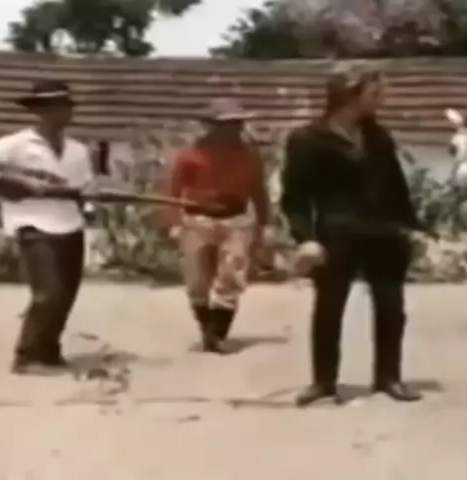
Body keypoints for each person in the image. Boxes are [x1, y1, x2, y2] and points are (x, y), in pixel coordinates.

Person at [280, 61, 425, 406]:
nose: (382, 99)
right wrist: (305, 238)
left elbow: (396, 186)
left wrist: (412, 228)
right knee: (329, 308)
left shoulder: (378, 136)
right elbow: (295, 197)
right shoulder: (307, 140)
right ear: (350, 94)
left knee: (392, 308)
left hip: (385, 234)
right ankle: (324, 382)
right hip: (336, 236)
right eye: (376, 92)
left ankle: (388, 377)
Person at [0, 80, 93, 375]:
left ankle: (49, 351)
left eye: (66, 107)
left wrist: (87, 204)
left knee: (66, 295)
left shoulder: (78, 150)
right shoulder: (16, 144)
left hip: (70, 225)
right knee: (48, 293)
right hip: (33, 224)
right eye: (56, 107)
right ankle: (27, 357)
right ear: (40, 111)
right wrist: (14, 182)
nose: (64, 112)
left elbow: (84, 188)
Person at [165, 98, 270, 354]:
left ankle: (218, 333)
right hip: (198, 219)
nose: (234, 129)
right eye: (227, 124)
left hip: (236, 220)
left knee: (231, 276)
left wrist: (265, 224)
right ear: (212, 126)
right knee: (196, 280)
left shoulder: (249, 155)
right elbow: (173, 191)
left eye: (237, 123)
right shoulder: (191, 154)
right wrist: (175, 222)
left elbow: (259, 191)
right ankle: (207, 329)